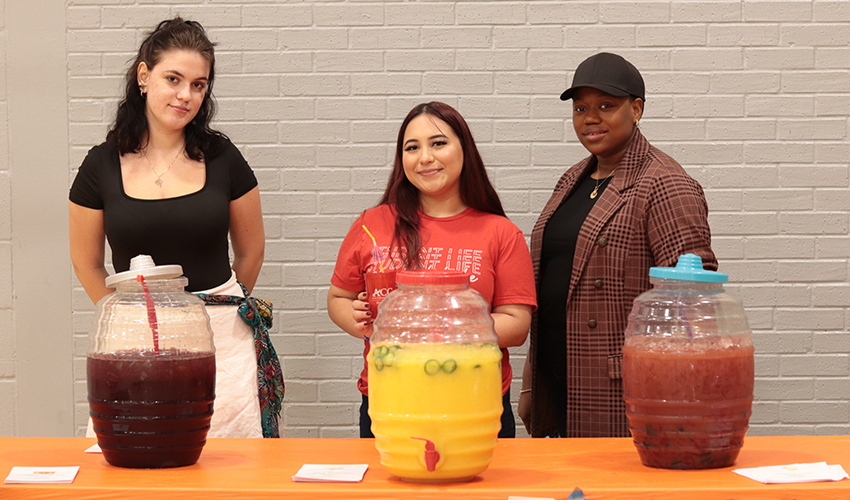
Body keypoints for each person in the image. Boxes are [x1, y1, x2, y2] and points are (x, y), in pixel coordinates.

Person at [69, 18, 283, 438]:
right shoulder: (101, 165)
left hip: (221, 337)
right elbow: (86, 261)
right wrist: (127, 317)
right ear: (144, 76)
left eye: (199, 85)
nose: (186, 95)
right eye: (174, 79)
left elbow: (251, 252)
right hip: (136, 336)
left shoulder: (223, 157)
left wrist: (214, 311)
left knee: (231, 466)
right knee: (134, 457)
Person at [519, 52, 717, 438]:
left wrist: (671, 398)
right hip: (560, 377)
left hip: (622, 387)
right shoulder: (573, 179)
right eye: (581, 108)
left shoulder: (665, 183)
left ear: (637, 109)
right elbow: (552, 288)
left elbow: (692, 307)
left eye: (606, 106)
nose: (590, 118)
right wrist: (531, 381)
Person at [327, 102, 537, 438]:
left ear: (463, 149)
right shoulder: (372, 224)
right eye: (412, 148)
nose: (424, 157)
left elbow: (516, 324)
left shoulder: (500, 232)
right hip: (391, 396)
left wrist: (438, 325)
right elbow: (339, 296)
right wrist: (357, 319)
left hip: (475, 400)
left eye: (438, 143)